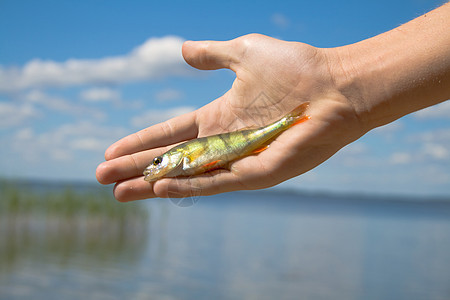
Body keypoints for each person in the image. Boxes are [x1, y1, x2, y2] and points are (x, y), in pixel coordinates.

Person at [96, 3, 450, 202]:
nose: (158, 164)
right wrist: (342, 86)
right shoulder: (182, 160)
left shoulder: (183, 156)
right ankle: (286, 122)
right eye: (158, 163)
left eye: (160, 160)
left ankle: (286, 122)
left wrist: (334, 80)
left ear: (173, 156)